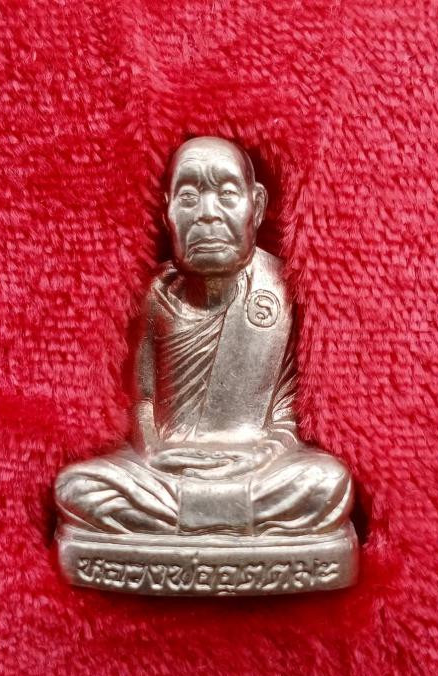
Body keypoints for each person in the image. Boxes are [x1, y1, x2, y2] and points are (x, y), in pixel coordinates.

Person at [56, 136, 352, 536]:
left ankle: (185, 523)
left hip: (255, 465)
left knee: (327, 482)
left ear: (256, 206)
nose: (207, 214)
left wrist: (264, 452)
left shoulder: (283, 291)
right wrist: (154, 451)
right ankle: (234, 523)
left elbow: (286, 412)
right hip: (163, 469)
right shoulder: (152, 296)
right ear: (167, 213)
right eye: (189, 197)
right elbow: (143, 400)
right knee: (77, 487)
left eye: (227, 194)